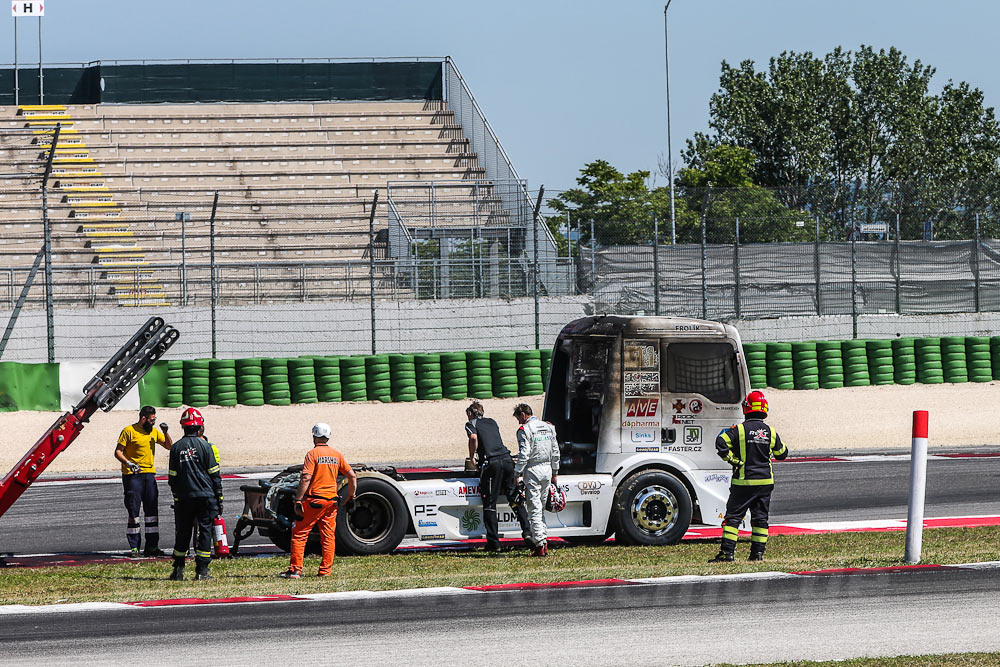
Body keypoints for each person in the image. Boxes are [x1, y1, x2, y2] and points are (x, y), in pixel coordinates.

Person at [710, 390, 788, 563]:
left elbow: (721, 441)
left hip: (743, 483)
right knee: (761, 519)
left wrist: (732, 460)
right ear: (765, 409)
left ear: (746, 408)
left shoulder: (739, 430)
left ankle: (727, 554)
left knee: (733, 519)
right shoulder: (771, 432)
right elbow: (782, 454)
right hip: (765, 483)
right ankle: (757, 555)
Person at [279, 422, 357, 579]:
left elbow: (306, 477)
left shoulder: (312, 454)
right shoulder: (337, 455)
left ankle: (295, 570)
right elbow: (352, 476)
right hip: (331, 502)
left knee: (299, 533)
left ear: (314, 436)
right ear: (328, 437)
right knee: (328, 537)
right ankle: (325, 571)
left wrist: (299, 499)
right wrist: (351, 496)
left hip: (314, 501)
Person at [465, 401, 530, 552]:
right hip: (507, 460)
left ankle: (493, 543)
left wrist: (472, 457)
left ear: (470, 413)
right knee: (515, 498)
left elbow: (473, 438)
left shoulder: (470, 423)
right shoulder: (492, 421)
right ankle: (527, 532)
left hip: (492, 463)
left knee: (489, 503)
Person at [167, 407, 223, 581]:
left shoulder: (176, 448)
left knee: (183, 532)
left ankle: (178, 570)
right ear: (200, 427)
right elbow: (215, 474)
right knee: (205, 532)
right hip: (205, 497)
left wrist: (177, 497)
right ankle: (202, 571)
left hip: (184, 498)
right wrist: (219, 498)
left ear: (183, 427)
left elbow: (172, 478)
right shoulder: (206, 446)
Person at [114, 405, 172, 557]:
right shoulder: (129, 431)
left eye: (155, 419)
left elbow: (169, 446)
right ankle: (134, 547)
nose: (154, 423)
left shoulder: (153, 431)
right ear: (143, 418)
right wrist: (128, 463)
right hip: (133, 475)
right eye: (152, 420)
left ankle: (152, 546)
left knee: (152, 511)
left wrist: (166, 433)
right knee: (134, 511)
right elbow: (118, 451)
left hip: (149, 475)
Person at [512, 403, 560, 557]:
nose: (519, 422)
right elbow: (555, 452)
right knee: (541, 508)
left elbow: (524, 454)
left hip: (532, 470)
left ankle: (539, 545)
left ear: (523, 415)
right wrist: (555, 472)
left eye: (519, 418)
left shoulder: (525, 429)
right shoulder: (549, 427)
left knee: (534, 508)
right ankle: (543, 541)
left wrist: (516, 473)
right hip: (547, 470)